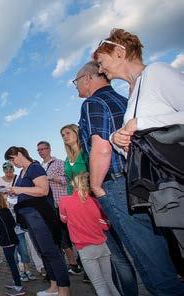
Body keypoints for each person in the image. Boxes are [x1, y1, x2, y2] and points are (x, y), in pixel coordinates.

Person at [76, 59, 183, 295]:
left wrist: (96, 186)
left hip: (115, 182)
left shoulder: (93, 102)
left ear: (87, 78)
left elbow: (101, 147)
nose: (76, 86)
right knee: (159, 248)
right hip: (139, 180)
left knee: (148, 259)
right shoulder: (125, 101)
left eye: (76, 81)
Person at [94, 28, 184, 262]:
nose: (101, 69)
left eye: (102, 62)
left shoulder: (156, 72)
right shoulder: (133, 92)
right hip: (162, 187)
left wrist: (141, 123)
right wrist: (117, 140)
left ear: (119, 52)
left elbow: (147, 125)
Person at [5, 146, 70, 296]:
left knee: (51, 251)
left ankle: (64, 290)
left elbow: (43, 190)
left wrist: (19, 190)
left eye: (12, 158)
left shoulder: (35, 168)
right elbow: (27, 193)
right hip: (29, 216)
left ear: (20, 154)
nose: (12, 163)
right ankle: (54, 286)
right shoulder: (22, 173)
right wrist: (14, 193)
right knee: (43, 252)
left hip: (40, 215)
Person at [59, 173, 120, 296]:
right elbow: (105, 225)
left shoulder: (65, 201)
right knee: (109, 282)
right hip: (102, 245)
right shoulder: (95, 202)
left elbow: (63, 219)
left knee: (99, 285)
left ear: (73, 184)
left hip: (84, 248)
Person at [37, 140, 81, 275]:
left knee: (74, 235)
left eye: (43, 149)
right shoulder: (39, 167)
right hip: (49, 207)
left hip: (62, 203)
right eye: (39, 150)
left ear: (49, 149)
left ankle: (83, 262)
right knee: (62, 238)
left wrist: (50, 177)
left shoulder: (59, 163)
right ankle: (73, 264)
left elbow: (67, 180)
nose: (41, 151)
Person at [0, 161, 39, 281]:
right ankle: (19, 272)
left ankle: (27, 270)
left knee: (23, 246)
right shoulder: (0, 182)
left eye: (10, 171)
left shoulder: (18, 179)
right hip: (7, 217)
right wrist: (5, 195)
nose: (9, 173)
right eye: (6, 171)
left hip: (19, 215)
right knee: (13, 247)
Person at [0, 190, 25, 296]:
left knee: (12, 263)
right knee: (12, 262)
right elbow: (13, 223)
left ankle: (18, 287)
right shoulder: (6, 209)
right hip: (12, 238)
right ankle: (16, 281)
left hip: (6, 240)